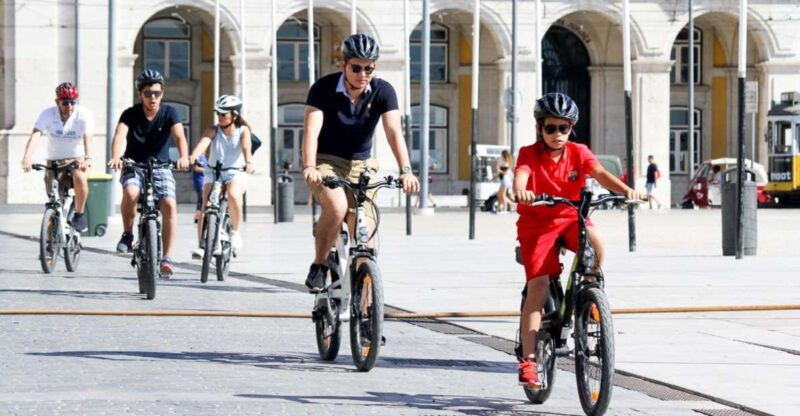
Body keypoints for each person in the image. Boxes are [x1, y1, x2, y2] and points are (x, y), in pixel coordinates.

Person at [513, 92, 645, 387]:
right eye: (551, 128)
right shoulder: (528, 154)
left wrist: (627, 191)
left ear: (571, 129)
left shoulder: (579, 151)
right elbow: (521, 176)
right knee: (538, 286)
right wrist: (520, 191)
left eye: (564, 128)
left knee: (596, 237)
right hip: (537, 224)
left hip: (571, 218)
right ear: (539, 129)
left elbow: (599, 173)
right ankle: (529, 362)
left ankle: (591, 289)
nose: (558, 135)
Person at [301, 33, 420, 292]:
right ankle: (320, 265)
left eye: (369, 68)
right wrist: (309, 166)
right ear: (343, 65)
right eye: (356, 68)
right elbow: (311, 130)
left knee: (365, 237)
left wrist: (406, 170)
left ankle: (367, 311)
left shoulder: (383, 91)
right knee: (336, 205)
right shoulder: (323, 88)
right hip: (326, 161)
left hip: (362, 165)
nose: (363, 74)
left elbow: (393, 131)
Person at [107, 69, 189, 278]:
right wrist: (116, 156)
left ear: (162, 93)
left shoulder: (170, 112)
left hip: (160, 166)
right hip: (134, 164)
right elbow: (119, 136)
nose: (152, 98)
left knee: (169, 204)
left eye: (156, 93)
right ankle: (127, 234)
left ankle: (167, 258)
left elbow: (179, 137)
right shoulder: (130, 114)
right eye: (147, 93)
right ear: (139, 95)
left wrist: (184, 156)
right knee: (132, 193)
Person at [21, 82, 94, 232]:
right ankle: (49, 247)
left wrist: (88, 158)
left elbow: (88, 138)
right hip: (54, 160)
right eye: (65, 102)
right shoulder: (47, 114)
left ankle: (79, 214)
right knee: (54, 204)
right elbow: (36, 134)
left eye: (73, 102)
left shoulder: (84, 115)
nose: (70, 106)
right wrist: (27, 156)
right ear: (57, 102)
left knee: (80, 176)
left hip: (76, 158)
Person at [189, 95, 255, 259]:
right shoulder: (213, 130)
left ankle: (235, 232)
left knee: (233, 195)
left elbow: (246, 147)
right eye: (218, 113)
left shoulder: (243, 130)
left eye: (223, 114)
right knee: (206, 205)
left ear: (234, 115)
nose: (219, 117)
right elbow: (203, 144)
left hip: (236, 171)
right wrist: (193, 156)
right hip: (214, 171)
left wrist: (249, 162)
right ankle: (202, 246)